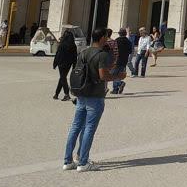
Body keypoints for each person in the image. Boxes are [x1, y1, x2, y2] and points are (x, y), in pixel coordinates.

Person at [62, 27, 125, 172]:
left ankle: (68, 160)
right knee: (89, 128)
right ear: (103, 37)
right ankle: (83, 162)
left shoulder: (84, 52)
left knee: (75, 127)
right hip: (95, 96)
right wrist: (118, 77)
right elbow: (103, 76)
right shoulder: (101, 55)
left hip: (81, 94)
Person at [53, 29, 77, 101]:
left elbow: (58, 55)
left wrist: (55, 63)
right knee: (62, 78)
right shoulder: (73, 45)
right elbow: (75, 56)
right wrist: (74, 65)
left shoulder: (62, 44)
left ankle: (66, 94)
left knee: (63, 78)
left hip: (61, 64)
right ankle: (56, 94)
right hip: (69, 64)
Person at [110, 28, 132, 94]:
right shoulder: (128, 41)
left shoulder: (116, 41)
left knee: (113, 74)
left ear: (119, 34)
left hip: (116, 60)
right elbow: (130, 51)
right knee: (119, 75)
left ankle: (120, 83)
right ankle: (115, 89)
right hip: (124, 60)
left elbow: (113, 50)